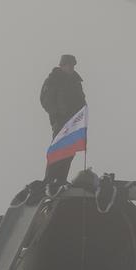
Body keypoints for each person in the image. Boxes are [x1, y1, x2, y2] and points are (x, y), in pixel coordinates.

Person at [40, 55, 86, 183]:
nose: (71, 67)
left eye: (73, 65)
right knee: (58, 149)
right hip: (60, 121)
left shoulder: (75, 82)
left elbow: (81, 100)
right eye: (69, 65)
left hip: (74, 123)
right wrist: (59, 114)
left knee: (70, 150)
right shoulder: (53, 80)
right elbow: (46, 101)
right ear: (62, 65)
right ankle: (49, 180)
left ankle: (61, 179)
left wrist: (83, 113)